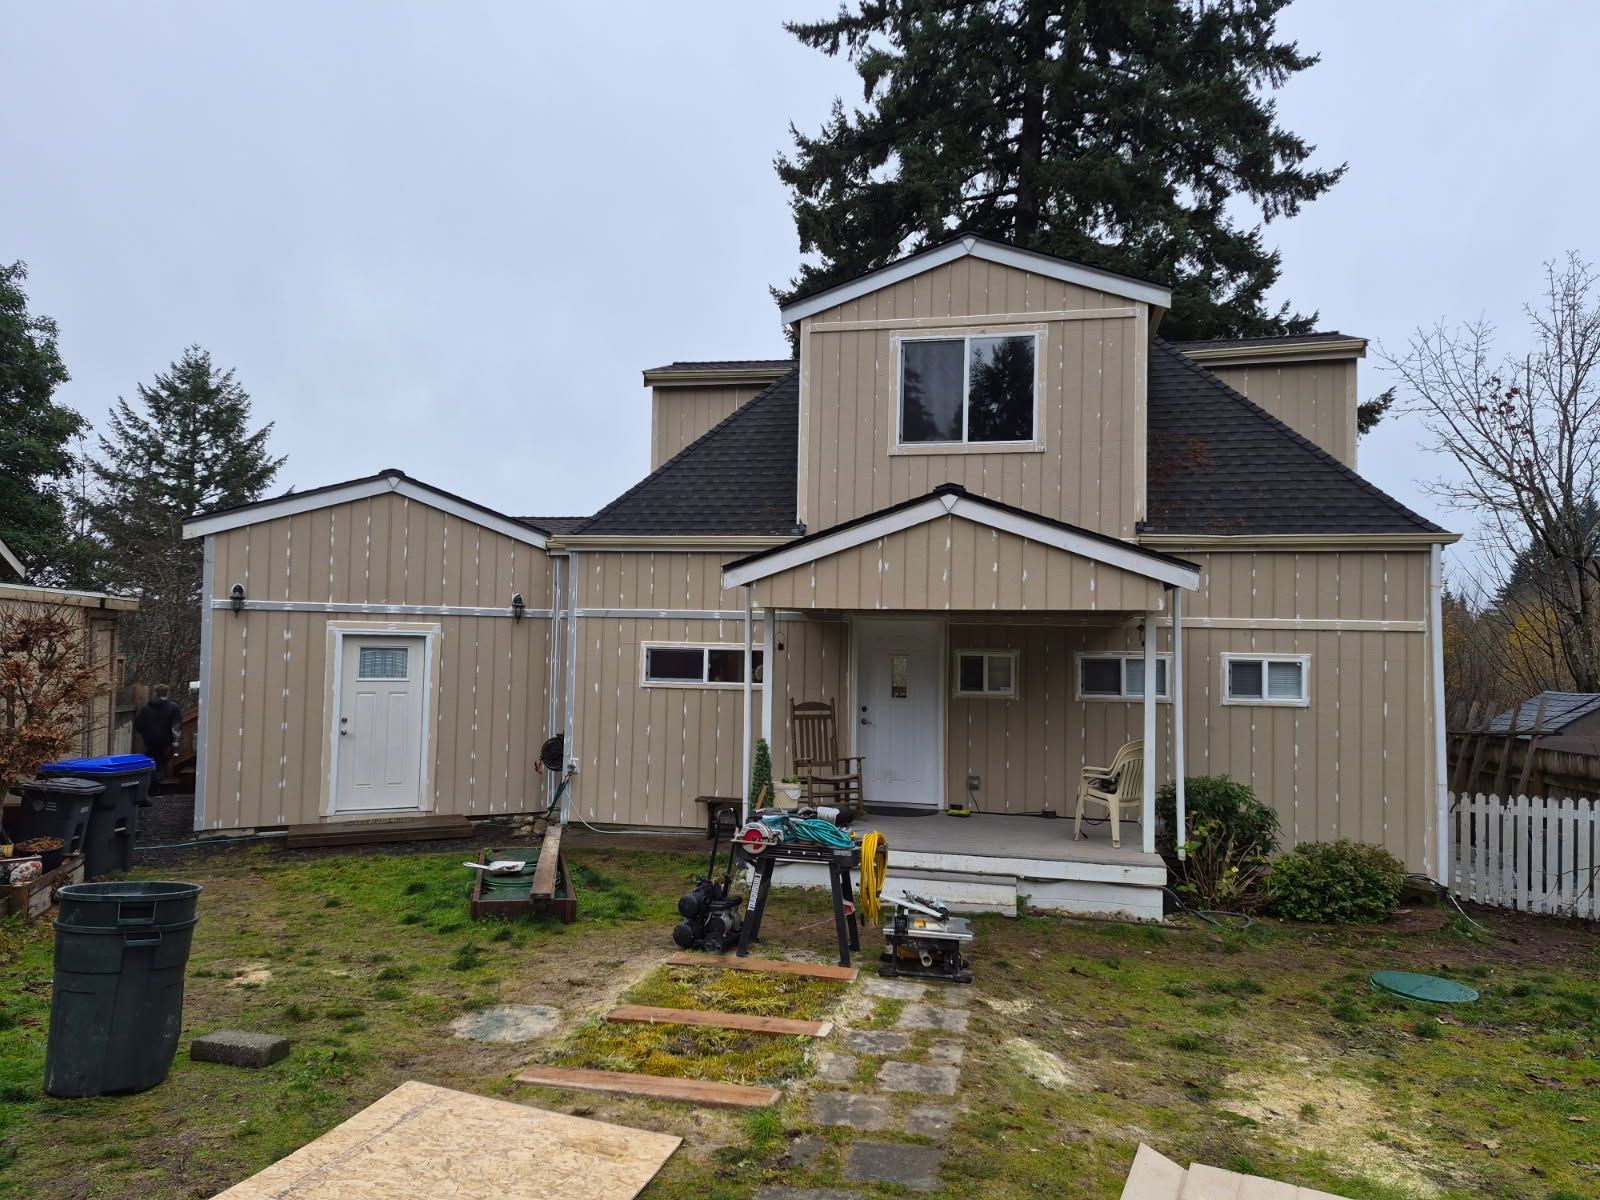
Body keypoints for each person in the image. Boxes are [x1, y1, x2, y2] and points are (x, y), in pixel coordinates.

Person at [132, 684, 183, 796]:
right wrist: (176, 742)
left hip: (149, 741)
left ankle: (150, 789)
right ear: (167, 693)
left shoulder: (147, 708)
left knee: (151, 764)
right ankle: (154, 789)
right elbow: (176, 726)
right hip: (166, 742)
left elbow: (138, 725)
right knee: (160, 764)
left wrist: (147, 734)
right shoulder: (173, 707)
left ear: (155, 693)